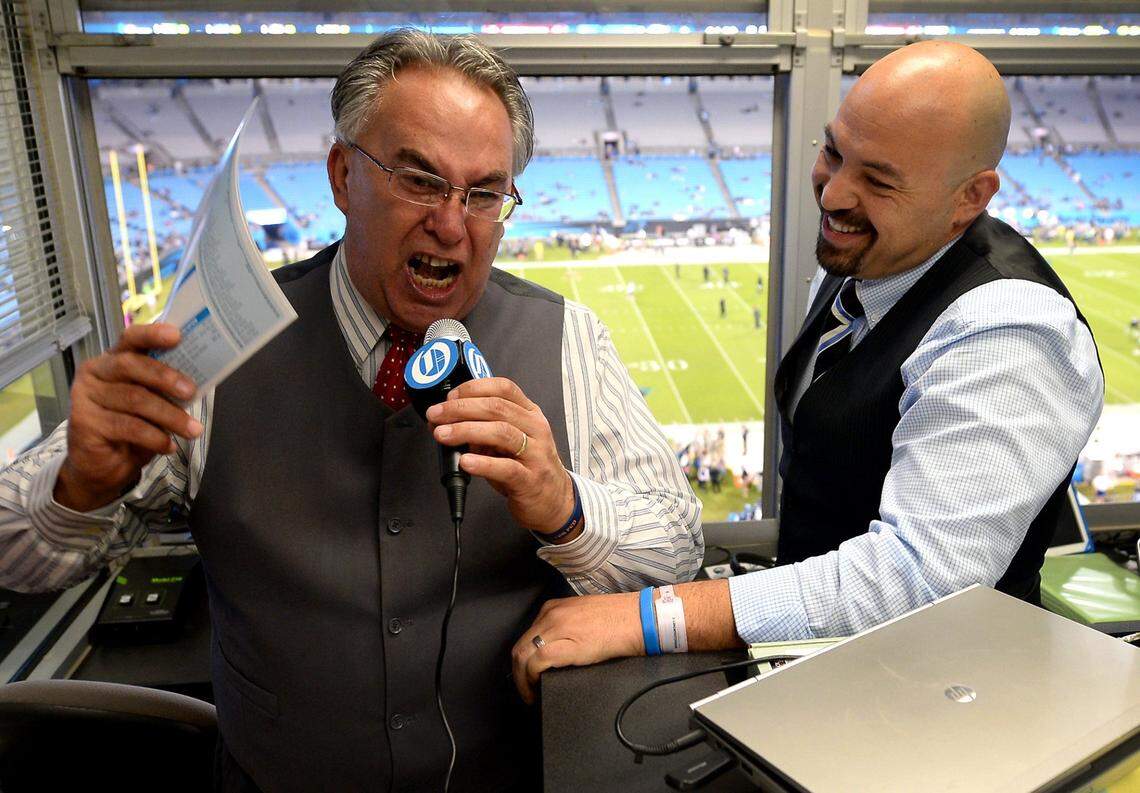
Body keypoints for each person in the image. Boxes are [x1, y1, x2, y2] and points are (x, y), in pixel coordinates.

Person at [0, 30, 702, 792]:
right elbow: (15, 554)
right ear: (341, 177)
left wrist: (566, 507)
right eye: (419, 179)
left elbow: (678, 548)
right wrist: (78, 487)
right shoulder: (217, 344)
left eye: (484, 193)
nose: (452, 223)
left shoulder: (569, 340)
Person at [509, 40, 1103, 704]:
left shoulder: (1008, 326)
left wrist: (653, 614)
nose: (835, 191)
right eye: (832, 151)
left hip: (935, 700)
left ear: (970, 197)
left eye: (879, 180)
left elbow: (920, 575)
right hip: (830, 667)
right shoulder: (873, 256)